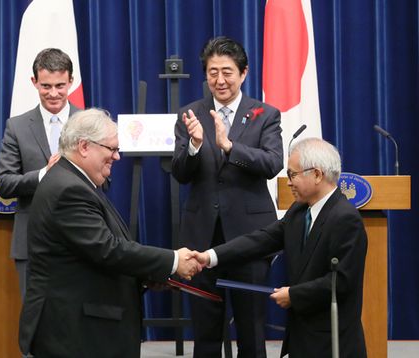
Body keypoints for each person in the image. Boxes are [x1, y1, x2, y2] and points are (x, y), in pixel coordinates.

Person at [18, 108, 201, 357]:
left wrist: (147, 274)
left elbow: (97, 250)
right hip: (74, 332)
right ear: (84, 146)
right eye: (112, 149)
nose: (117, 157)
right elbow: (108, 249)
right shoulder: (68, 190)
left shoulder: (77, 181)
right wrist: (174, 261)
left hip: (84, 328)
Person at [193, 138, 368, 358]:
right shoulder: (298, 211)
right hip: (301, 339)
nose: (288, 182)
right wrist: (210, 256)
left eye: (293, 174)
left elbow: (340, 282)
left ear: (317, 174)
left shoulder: (345, 219)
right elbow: (262, 240)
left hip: (332, 342)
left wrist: (294, 295)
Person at [171, 36, 283, 357]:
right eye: (212, 72)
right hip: (201, 237)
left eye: (227, 72)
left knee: (251, 329)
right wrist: (193, 146)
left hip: (250, 238)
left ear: (244, 73)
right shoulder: (191, 113)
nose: (219, 80)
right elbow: (180, 173)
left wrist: (231, 147)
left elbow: (273, 163)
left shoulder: (265, 114)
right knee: (205, 331)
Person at [0, 48, 80, 298]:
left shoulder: (89, 122)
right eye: (46, 86)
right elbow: (4, 183)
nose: (53, 93)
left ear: (71, 82)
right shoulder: (17, 127)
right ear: (34, 82)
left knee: (76, 322)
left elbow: (105, 182)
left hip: (81, 238)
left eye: (60, 85)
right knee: (35, 321)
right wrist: (45, 174)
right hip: (32, 242)